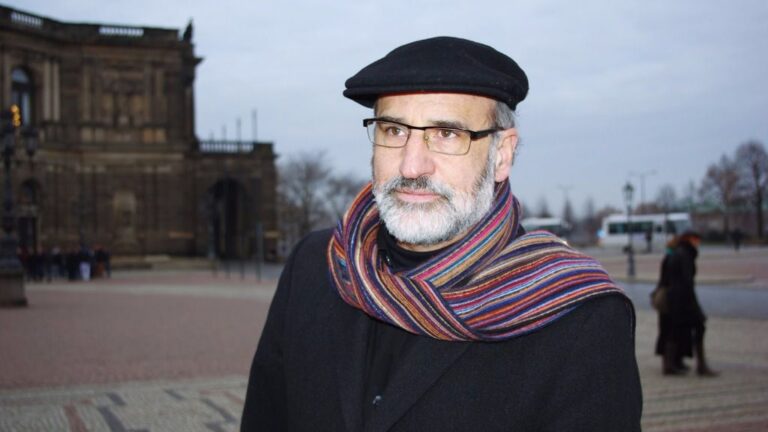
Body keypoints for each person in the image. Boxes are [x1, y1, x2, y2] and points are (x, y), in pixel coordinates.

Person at [241, 36, 642, 431]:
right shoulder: (316, 266)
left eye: (446, 134)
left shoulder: (579, 318)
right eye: (393, 130)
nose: (412, 166)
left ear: (502, 155)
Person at [654, 231, 717, 377]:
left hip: (675, 298)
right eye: (696, 239)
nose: (698, 242)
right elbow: (686, 281)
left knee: (675, 329)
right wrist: (694, 304)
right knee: (697, 327)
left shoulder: (677, 253)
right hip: (682, 299)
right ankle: (699, 365)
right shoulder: (684, 254)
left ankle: (672, 364)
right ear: (690, 239)